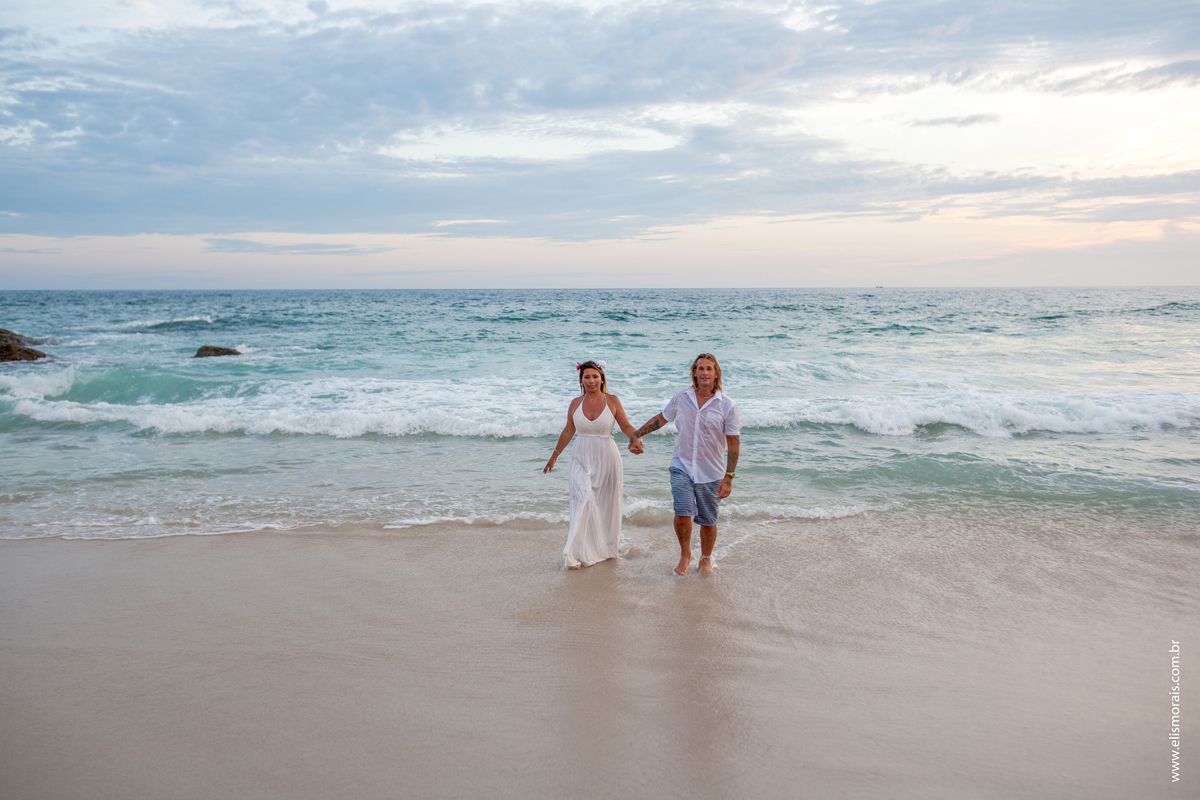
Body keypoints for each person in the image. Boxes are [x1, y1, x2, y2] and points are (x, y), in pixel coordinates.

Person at [630, 353, 739, 576]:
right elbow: (662, 418)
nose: (704, 372)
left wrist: (729, 476)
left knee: (708, 520)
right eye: (700, 368)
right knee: (682, 511)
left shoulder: (727, 405)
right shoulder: (681, 398)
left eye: (709, 368)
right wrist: (637, 434)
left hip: (711, 471)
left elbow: (733, 442)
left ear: (716, 374)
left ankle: (706, 558)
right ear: (694, 373)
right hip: (682, 464)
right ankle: (685, 553)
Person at [544, 361, 643, 569]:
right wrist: (554, 456)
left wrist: (635, 437)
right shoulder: (575, 403)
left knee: (606, 505)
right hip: (580, 456)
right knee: (583, 497)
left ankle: (604, 549)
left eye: (595, 376)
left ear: (602, 378)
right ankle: (574, 553)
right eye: (587, 377)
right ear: (581, 380)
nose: (591, 380)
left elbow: (625, 425)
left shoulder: (612, 401)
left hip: (607, 457)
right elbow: (568, 430)